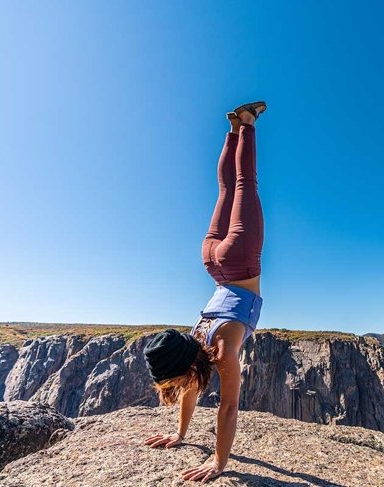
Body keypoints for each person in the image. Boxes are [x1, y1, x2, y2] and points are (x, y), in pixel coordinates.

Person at [141, 101, 267, 483]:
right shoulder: (197, 339)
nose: (181, 387)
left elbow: (227, 407)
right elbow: (206, 396)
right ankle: (233, 129)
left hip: (240, 260)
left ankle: (246, 124)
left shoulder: (221, 351)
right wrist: (189, 442)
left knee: (244, 184)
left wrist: (217, 460)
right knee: (231, 187)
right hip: (212, 260)